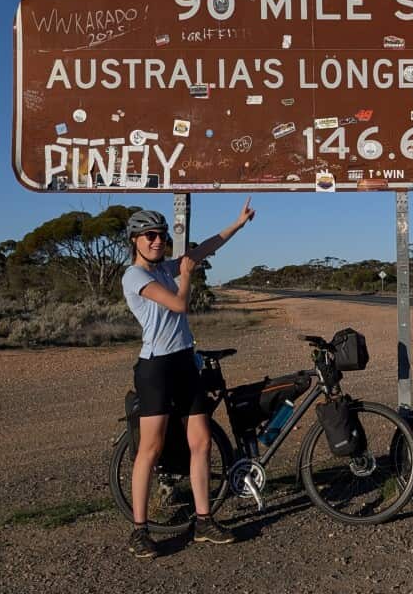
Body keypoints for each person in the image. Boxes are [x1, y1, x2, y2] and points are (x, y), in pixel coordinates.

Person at [122, 199, 255, 558]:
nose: (156, 240)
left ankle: (203, 520)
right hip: (156, 368)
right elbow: (179, 304)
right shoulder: (136, 276)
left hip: (184, 362)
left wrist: (237, 224)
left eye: (161, 235)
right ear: (134, 239)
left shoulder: (165, 267)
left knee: (202, 441)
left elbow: (206, 246)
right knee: (151, 448)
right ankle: (139, 529)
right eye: (149, 235)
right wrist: (188, 273)